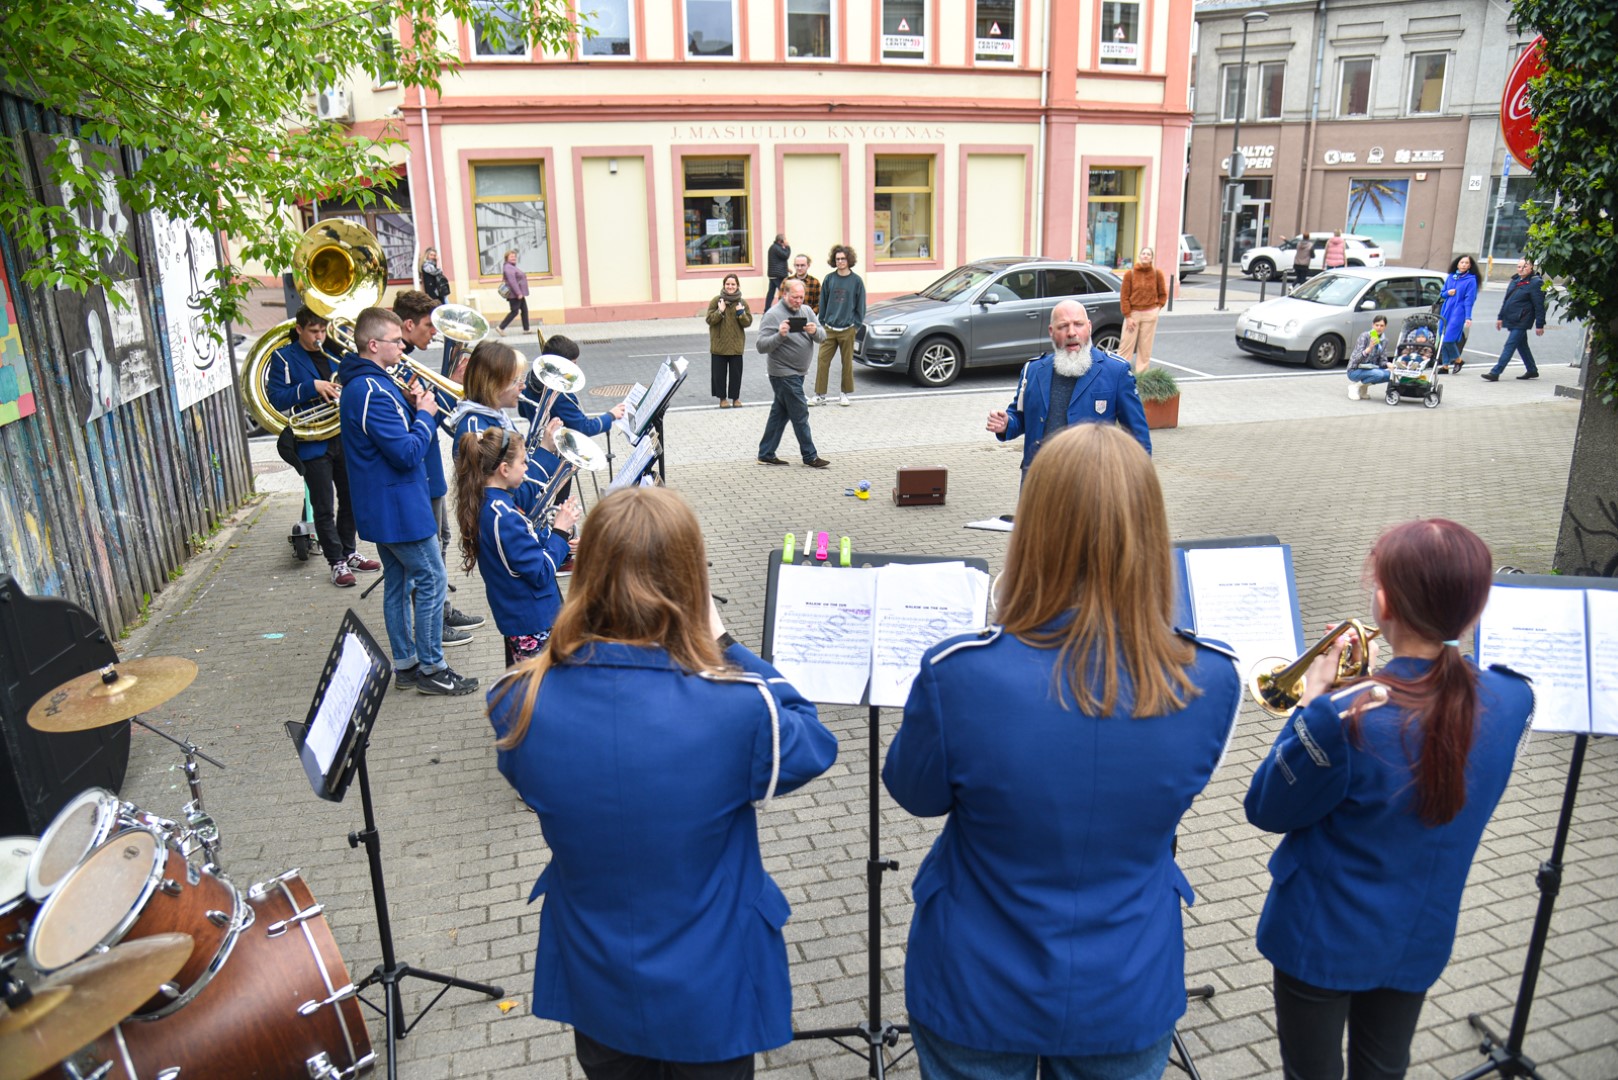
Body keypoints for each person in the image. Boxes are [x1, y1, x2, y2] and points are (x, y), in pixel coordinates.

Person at [882, 424, 1242, 1080]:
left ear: (1033, 532)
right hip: (1126, 980)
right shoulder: (1213, 677)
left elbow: (915, 794)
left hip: (976, 977)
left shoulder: (960, 672)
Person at [485, 486, 837, 1080]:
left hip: (597, 975)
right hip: (711, 981)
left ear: (586, 575)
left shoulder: (517, 699)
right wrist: (725, 644)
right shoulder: (736, 707)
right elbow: (812, 739)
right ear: (690, 582)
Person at [1245, 519, 1534, 1080]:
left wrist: (1313, 702)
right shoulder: (1513, 697)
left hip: (1320, 935)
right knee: (1383, 1069)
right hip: (1419, 933)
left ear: (1383, 603)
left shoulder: (1343, 717)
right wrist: (1382, 678)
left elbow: (1266, 808)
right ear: (1475, 609)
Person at [336, 307, 477, 696]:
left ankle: (407, 665)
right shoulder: (372, 390)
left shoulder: (370, 385)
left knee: (398, 584)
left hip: (387, 505)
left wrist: (414, 409)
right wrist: (425, 415)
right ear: (373, 344)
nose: (403, 347)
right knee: (432, 578)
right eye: (396, 341)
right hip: (397, 507)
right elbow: (406, 452)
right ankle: (433, 668)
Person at [266, 307, 381, 587]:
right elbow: (276, 398)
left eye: (322, 330)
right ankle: (336, 562)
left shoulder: (336, 352)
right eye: (313, 331)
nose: (319, 337)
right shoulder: (284, 357)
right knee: (323, 505)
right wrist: (312, 386)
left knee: (352, 497)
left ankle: (349, 551)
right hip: (312, 441)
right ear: (299, 329)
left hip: (343, 435)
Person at [395, 289, 484, 643]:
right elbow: (422, 418)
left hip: (429, 470)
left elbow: (432, 413)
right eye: (429, 326)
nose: (434, 334)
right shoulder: (396, 368)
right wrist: (450, 388)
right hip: (419, 472)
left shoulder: (405, 363)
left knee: (442, 540)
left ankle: (442, 611)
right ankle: (434, 625)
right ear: (408, 324)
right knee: (430, 552)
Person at [986, 299, 1150, 482]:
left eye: (1078, 324)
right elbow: (1021, 417)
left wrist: (1136, 486)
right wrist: (1006, 423)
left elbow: (1139, 438)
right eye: (1063, 326)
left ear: (1089, 327)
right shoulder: (1033, 370)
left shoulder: (1116, 371)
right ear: (1051, 331)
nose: (1071, 332)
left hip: (1093, 485)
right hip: (1039, 482)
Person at [455, 427, 578, 666]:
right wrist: (560, 531)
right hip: (533, 620)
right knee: (539, 685)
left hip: (520, 616)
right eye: (523, 462)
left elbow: (525, 546)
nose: (527, 467)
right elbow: (541, 572)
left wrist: (561, 540)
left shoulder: (493, 504)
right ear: (504, 469)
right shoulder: (503, 516)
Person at [446, 339, 562, 515]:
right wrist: (545, 451)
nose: (523, 386)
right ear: (494, 384)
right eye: (516, 381)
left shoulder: (496, 416)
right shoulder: (477, 429)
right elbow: (517, 497)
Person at [756, 279, 829, 468]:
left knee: (780, 413)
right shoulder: (773, 315)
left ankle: (766, 453)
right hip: (782, 373)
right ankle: (810, 456)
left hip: (799, 372)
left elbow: (822, 336)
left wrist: (815, 331)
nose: (798, 301)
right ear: (785, 294)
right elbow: (761, 346)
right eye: (795, 297)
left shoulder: (806, 311)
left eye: (801, 297)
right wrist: (779, 335)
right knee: (800, 412)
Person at [813, 244, 865, 406]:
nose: (840, 261)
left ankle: (844, 394)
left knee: (847, 363)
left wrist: (855, 326)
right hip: (829, 328)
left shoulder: (856, 281)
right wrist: (822, 323)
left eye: (843, 259)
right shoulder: (829, 279)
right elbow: (823, 302)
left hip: (847, 329)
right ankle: (820, 395)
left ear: (849, 260)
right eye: (837, 259)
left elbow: (861, 306)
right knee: (822, 361)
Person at [1482, 256, 1547, 382]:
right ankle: (1532, 370)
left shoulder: (1535, 282)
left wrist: (1540, 324)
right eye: (1519, 266)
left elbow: (1539, 306)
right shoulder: (1515, 280)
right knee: (1522, 345)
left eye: (1525, 266)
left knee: (1510, 345)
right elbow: (1507, 300)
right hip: (1512, 318)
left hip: (1523, 320)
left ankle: (1495, 372)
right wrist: (1500, 317)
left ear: (1531, 267)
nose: (1521, 269)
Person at [1117, 246, 1168, 373]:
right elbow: (1124, 297)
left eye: (1148, 254)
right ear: (1139, 256)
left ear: (1151, 258)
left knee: (1145, 348)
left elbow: (1163, 294)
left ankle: (1142, 374)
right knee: (1125, 345)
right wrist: (1128, 316)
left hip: (1150, 313)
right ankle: (1120, 372)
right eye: (1143, 253)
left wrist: (1157, 309)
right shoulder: (1130, 274)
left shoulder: (1157, 274)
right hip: (1133, 314)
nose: (1145, 256)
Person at [706, 273, 751, 408]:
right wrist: (720, 311)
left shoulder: (742, 303)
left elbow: (747, 322)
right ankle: (722, 399)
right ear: (724, 285)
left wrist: (741, 313)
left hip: (736, 344)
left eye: (733, 284)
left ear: (737, 286)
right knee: (719, 375)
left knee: (736, 374)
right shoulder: (716, 301)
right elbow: (709, 320)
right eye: (727, 284)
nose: (730, 286)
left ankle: (735, 398)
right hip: (719, 344)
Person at [1438, 254, 1481, 373]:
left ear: (1470, 266)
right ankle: (1445, 366)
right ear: (1457, 264)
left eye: (1467, 263)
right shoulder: (1451, 277)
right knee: (1442, 336)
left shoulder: (1471, 280)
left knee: (1448, 339)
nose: (1464, 265)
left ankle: (1458, 360)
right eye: (1462, 262)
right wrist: (1448, 293)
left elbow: (1469, 300)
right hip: (1446, 309)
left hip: (1459, 312)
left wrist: (1468, 317)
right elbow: (1442, 294)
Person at [1346, 315, 1392, 399]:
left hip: (1371, 369)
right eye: (1377, 325)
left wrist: (1388, 364)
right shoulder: (1364, 336)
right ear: (1373, 325)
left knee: (1390, 375)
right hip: (1355, 370)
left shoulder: (1384, 341)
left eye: (1382, 326)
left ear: (1385, 326)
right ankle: (1355, 387)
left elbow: (1382, 361)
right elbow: (1356, 359)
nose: (1379, 328)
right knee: (1378, 374)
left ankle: (1363, 387)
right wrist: (1369, 348)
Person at [498, 249, 530, 335]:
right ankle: (500, 327)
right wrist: (518, 293)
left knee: (524, 310)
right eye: (511, 256)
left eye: (514, 256)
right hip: (514, 294)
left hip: (518, 293)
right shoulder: (508, 268)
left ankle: (526, 329)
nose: (514, 258)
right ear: (506, 258)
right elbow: (512, 282)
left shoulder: (511, 267)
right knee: (514, 311)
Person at [784, 253, 820, 317]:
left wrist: (809, 314)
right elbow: (782, 301)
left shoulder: (815, 282)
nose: (799, 268)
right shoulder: (787, 281)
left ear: (808, 265)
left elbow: (819, 304)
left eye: (802, 265)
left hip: (808, 318)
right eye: (797, 265)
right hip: (790, 317)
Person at [764, 233, 791, 312]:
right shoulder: (776, 248)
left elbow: (779, 261)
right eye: (785, 239)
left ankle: (767, 309)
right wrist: (788, 246)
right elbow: (785, 255)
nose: (786, 241)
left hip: (774, 274)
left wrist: (787, 269)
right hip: (778, 275)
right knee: (783, 291)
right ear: (780, 241)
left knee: (771, 293)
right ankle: (783, 309)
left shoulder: (774, 247)